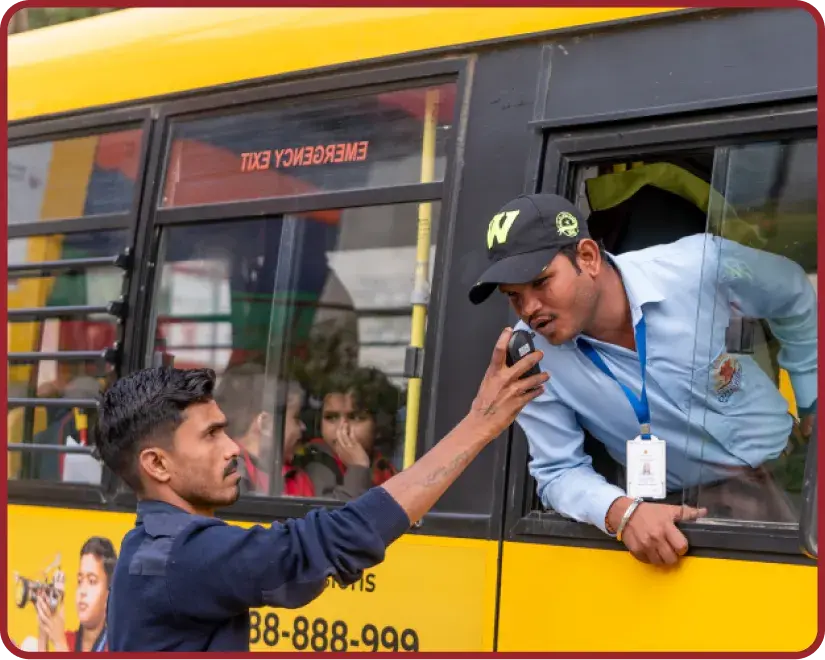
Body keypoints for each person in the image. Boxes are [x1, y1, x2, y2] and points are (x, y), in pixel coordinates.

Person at [93, 329, 547, 651]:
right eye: (211, 435)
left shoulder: (151, 549)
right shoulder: (180, 556)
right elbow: (330, 541)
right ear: (157, 464)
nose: (232, 448)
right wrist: (480, 425)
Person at [468, 193, 817, 567]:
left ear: (587, 257)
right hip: (683, 517)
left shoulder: (696, 266)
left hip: (793, 473)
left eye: (541, 282)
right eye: (514, 296)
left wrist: (812, 401)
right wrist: (622, 512)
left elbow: (793, 293)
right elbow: (557, 472)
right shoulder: (527, 356)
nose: (530, 308)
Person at [213, 363, 313, 497]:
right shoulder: (228, 470)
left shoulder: (297, 478)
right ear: (265, 424)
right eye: (296, 418)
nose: (302, 426)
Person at [304, 367, 400, 501]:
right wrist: (358, 468)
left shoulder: (384, 465)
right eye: (331, 417)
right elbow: (338, 518)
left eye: (355, 417)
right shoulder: (315, 462)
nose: (342, 428)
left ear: (378, 424)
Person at [36, 537, 117, 652]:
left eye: (92, 581)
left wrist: (60, 644)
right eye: (80, 581)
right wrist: (43, 634)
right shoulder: (68, 639)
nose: (82, 591)